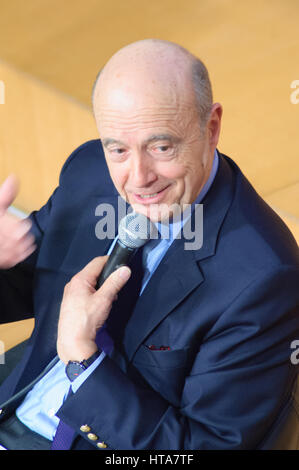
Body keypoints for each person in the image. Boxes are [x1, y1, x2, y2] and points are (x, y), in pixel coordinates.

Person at [0, 39, 298, 450]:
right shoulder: (90, 172)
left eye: (161, 147)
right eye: (118, 149)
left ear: (211, 128)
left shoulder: (265, 279)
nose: (138, 178)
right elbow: (21, 289)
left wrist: (84, 362)